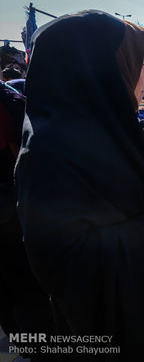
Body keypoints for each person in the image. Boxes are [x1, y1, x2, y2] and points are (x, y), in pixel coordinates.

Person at [14, 10, 144, 360]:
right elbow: (59, 262)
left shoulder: (106, 132)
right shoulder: (49, 154)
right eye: (137, 64)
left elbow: (125, 196)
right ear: (96, 71)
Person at [0, 81, 55, 361]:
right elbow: (18, 154)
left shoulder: (9, 98)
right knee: (25, 287)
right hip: (11, 216)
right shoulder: (9, 100)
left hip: (11, 210)